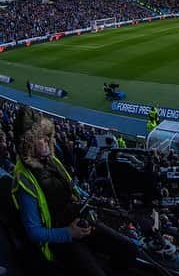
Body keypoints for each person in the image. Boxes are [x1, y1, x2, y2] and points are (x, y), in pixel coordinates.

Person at [11, 107, 136, 275]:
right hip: (61, 239)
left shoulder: (52, 160)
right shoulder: (24, 180)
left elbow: (72, 187)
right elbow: (34, 232)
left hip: (80, 221)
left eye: (47, 135)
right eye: (40, 137)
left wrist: (91, 199)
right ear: (27, 144)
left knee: (129, 249)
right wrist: (69, 233)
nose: (47, 141)